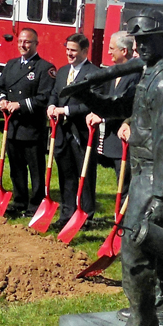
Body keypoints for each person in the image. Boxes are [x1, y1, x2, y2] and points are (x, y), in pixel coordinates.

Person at [71, 9, 163, 326]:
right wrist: (83, 94)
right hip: (143, 171)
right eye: (138, 41)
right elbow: (115, 106)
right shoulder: (148, 73)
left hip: (155, 176)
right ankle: (158, 307)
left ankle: (143, 325)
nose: (141, 46)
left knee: (135, 251)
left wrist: (159, 196)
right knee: (152, 246)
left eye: (148, 40)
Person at [0, 28, 56, 216]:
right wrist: (1, 101)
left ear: (36, 43)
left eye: (27, 42)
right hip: (12, 126)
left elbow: (44, 97)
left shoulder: (45, 68)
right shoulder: (11, 65)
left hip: (32, 128)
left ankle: (36, 202)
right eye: (20, 41)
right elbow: (0, 87)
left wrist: (20, 105)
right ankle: (19, 200)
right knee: (16, 167)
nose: (23, 45)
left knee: (35, 168)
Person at [47, 33, 99, 230]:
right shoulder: (61, 72)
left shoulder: (93, 73)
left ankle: (86, 215)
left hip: (83, 134)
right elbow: (54, 95)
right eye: (67, 49)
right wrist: (51, 108)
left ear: (84, 51)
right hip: (62, 132)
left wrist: (66, 110)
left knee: (84, 175)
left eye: (73, 50)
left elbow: (92, 105)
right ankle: (67, 213)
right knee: (65, 174)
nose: (69, 53)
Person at [86, 30, 140, 199]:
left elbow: (128, 105)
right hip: (112, 139)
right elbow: (107, 98)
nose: (108, 52)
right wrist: (96, 110)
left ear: (124, 51)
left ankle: (126, 222)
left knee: (126, 185)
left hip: (126, 138)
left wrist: (102, 116)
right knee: (120, 184)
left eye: (111, 48)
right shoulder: (113, 72)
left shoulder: (136, 74)